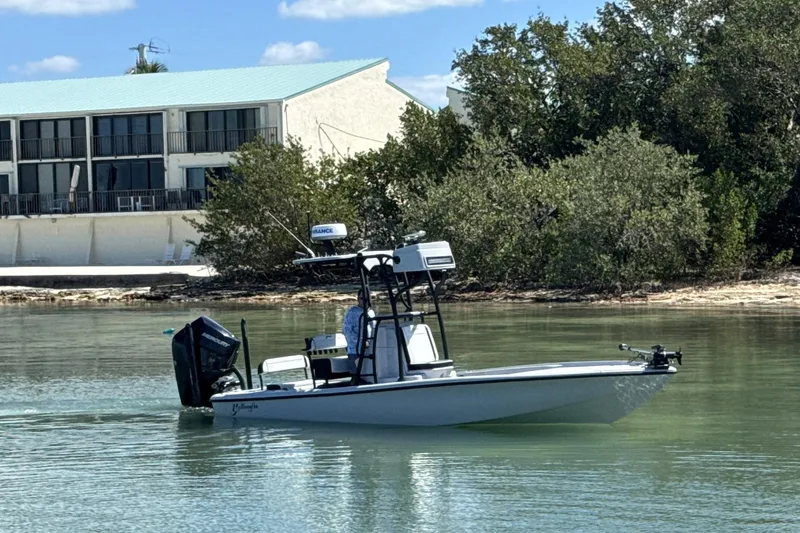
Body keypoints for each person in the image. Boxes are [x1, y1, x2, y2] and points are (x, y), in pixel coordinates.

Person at [342, 289, 375, 374]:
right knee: (356, 375)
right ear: (358, 299)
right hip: (355, 350)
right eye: (362, 299)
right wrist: (362, 342)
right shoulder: (352, 312)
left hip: (371, 349)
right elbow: (348, 332)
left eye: (368, 299)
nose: (365, 301)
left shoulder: (371, 312)